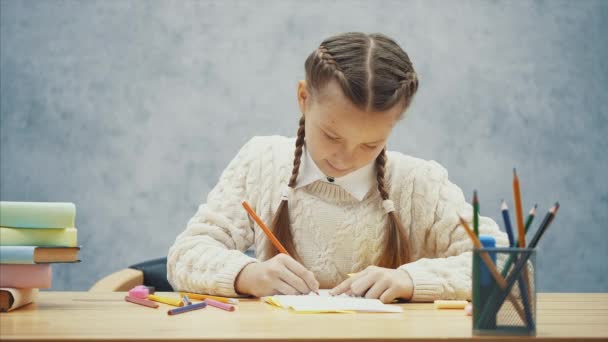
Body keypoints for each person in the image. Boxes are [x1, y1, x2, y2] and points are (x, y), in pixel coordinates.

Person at [167, 32, 507, 303]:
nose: (345, 158)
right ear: (303, 97)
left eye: (370, 145)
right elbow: (186, 253)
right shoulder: (261, 161)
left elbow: (506, 266)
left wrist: (409, 280)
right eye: (330, 135)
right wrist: (247, 275)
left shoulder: (420, 183)